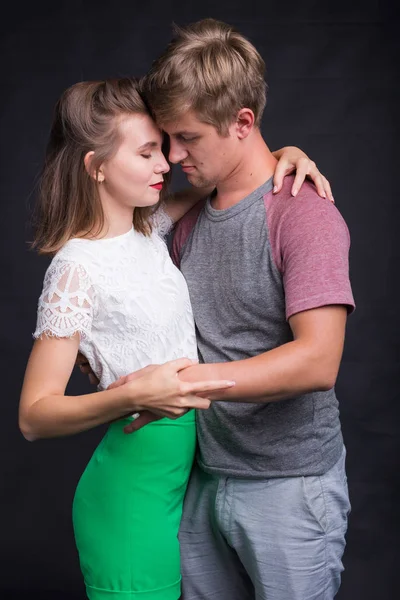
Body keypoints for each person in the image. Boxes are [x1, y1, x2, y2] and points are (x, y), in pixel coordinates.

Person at [18, 77, 329, 600]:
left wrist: (290, 152)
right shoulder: (76, 269)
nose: (166, 163)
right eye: (146, 153)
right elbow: (33, 416)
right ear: (96, 168)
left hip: (182, 484)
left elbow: (236, 169)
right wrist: (133, 394)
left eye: (162, 148)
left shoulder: (151, 227)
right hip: (130, 495)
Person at [120, 18, 355, 600]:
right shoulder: (185, 216)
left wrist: (182, 384)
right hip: (201, 476)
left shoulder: (302, 212)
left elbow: (318, 361)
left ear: (242, 123)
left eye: (188, 138)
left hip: (291, 486)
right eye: (165, 139)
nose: (172, 156)